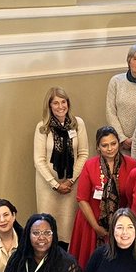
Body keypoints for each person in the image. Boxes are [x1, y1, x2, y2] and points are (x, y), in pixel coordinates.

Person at [68, 125, 136, 268]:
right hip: (91, 222)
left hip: (119, 223)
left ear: (119, 143)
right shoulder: (89, 165)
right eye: (105, 145)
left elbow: (132, 198)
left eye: (113, 143)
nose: (110, 148)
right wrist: (96, 227)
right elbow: (82, 199)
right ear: (98, 147)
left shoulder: (131, 164)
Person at [33, 86, 89, 237]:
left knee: (70, 229)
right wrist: (55, 184)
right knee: (49, 228)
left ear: (68, 104)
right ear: (49, 106)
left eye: (63, 102)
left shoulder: (77, 124)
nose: (60, 106)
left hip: (72, 185)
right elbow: (39, 161)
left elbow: (83, 154)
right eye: (55, 103)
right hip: (48, 187)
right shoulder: (43, 128)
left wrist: (69, 181)